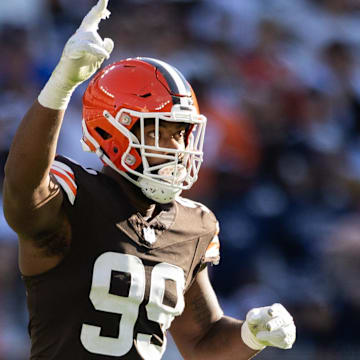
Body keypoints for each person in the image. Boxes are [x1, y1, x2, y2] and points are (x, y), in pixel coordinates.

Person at [3, 1, 296, 359]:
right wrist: (60, 87)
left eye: (183, 134)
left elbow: (202, 341)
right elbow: (23, 191)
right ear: (113, 131)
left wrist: (251, 335)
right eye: (163, 132)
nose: (179, 147)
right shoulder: (77, 198)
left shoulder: (193, 224)